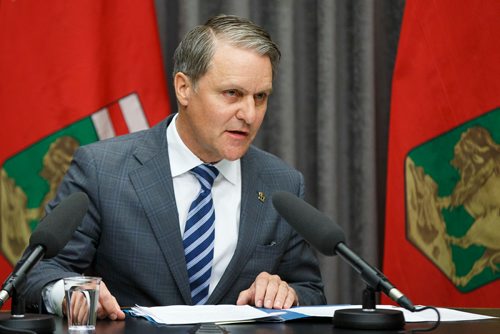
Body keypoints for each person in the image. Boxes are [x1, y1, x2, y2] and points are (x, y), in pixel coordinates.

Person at [22, 14, 326, 321]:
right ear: (184, 88)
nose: (249, 114)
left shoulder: (281, 183)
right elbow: (37, 273)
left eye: (260, 97)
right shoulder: (103, 170)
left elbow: (311, 290)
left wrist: (288, 293)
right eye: (232, 93)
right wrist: (71, 293)